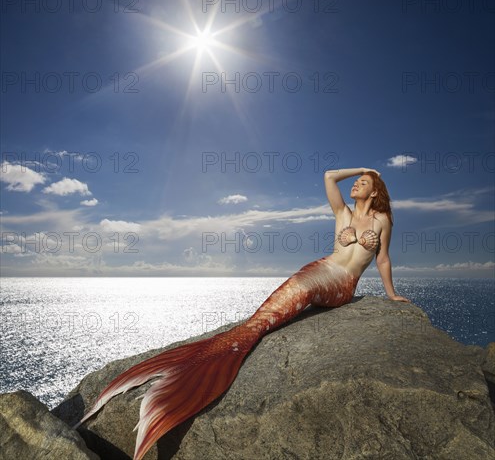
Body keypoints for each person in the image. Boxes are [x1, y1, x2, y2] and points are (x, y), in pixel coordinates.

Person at [77, 167, 410, 460]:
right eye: (356, 181)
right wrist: (362, 168)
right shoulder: (342, 213)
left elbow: (382, 259)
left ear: (376, 191)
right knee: (278, 304)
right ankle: (220, 351)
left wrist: (391, 294)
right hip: (321, 268)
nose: (355, 185)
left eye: (363, 182)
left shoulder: (382, 221)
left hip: (341, 285)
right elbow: (328, 176)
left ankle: (210, 364)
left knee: (300, 291)